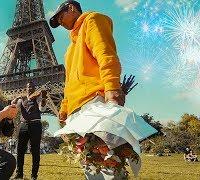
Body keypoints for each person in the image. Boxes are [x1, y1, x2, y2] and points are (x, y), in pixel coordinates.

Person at [50, 1, 153, 179]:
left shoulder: (92, 20)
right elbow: (68, 83)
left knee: (108, 164)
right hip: (77, 112)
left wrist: (112, 87)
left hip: (94, 103)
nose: (60, 22)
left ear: (72, 8)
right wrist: (64, 110)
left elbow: (105, 54)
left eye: (61, 16)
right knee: (90, 166)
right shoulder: (69, 50)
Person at [12, 82, 47, 180]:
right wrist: (18, 97)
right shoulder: (22, 99)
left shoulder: (38, 98)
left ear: (35, 88)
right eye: (28, 87)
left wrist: (43, 97)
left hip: (35, 124)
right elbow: (13, 105)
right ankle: (19, 173)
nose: (30, 88)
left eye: (32, 87)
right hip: (23, 125)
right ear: (26, 89)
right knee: (19, 150)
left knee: (35, 150)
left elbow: (42, 108)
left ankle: (34, 176)